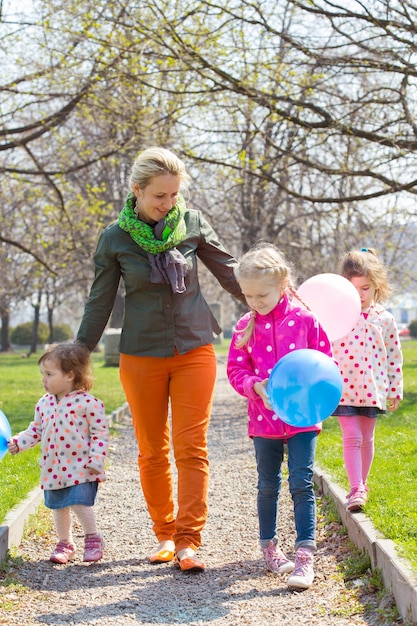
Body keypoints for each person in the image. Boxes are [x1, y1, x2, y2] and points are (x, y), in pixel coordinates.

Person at [76, 146, 245, 572]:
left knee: (192, 447)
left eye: (174, 195)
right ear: (137, 190)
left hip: (193, 349)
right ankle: (165, 535)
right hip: (141, 354)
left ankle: (189, 541)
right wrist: (78, 355)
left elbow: (231, 272)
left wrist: (276, 305)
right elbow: (100, 301)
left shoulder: (192, 223)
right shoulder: (115, 237)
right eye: (159, 196)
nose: (168, 204)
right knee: (152, 451)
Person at [227, 243, 332, 591]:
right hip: (264, 421)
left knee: (301, 482)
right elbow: (235, 370)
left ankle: (305, 555)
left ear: (283, 282)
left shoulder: (305, 320)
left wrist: (317, 397)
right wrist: (254, 386)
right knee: (268, 484)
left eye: (262, 295)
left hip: (303, 419)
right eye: (248, 295)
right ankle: (269, 548)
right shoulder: (245, 325)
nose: (255, 302)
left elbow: (324, 365)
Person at [7, 343, 108, 564]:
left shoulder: (89, 404)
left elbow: (100, 434)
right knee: (59, 506)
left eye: (49, 374)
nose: (43, 379)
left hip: (81, 467)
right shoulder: (44, 403)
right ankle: (65, 543)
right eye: (42, 374)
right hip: (52, 467)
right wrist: (18, 442)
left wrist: (96, 460)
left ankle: (92, 538)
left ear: (70, 375)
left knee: (80, 503)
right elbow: (36, 430)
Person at [331, 248, 403, 512]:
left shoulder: (385, 319)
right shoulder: (337, 315)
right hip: (342, 389)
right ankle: (356, 488)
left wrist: (395, 390)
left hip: (373, 389)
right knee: (351, 436)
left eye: (365, 288)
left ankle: (362, 482)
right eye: (353, 288)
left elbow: (394, 357)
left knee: (367, 438)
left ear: (376, 287)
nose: (359, 295)